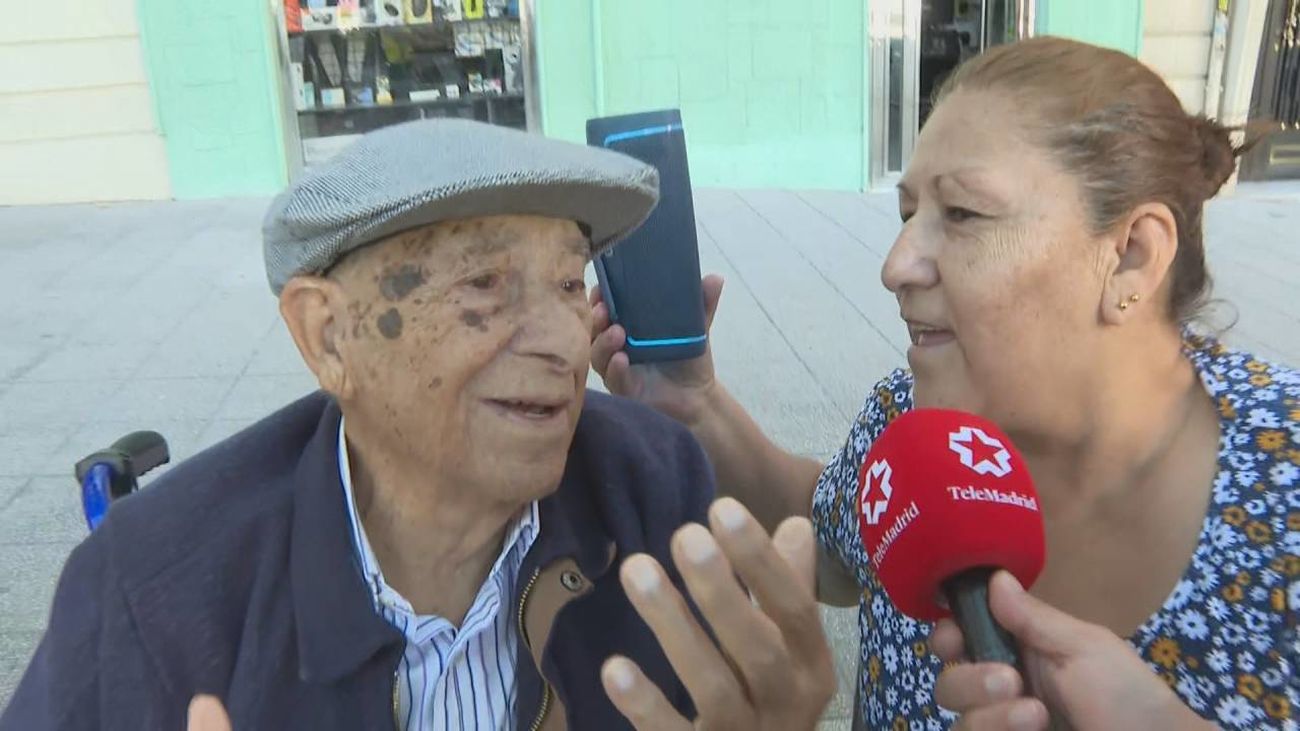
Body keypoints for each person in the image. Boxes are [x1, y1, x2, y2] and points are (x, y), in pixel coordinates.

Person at [0, 119, 835, 731]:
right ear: (329, 336)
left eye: (569, 282)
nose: (563, 340)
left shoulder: (654, 484)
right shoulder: (150, 592)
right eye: (484, 286)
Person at [591, 36, 1299, 730]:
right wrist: (696, 403)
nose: (896, 263)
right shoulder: (915, 422)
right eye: (907, 215)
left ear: (1133, 256)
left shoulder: (1283, 480)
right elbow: (837, 552)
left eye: (962, 214)